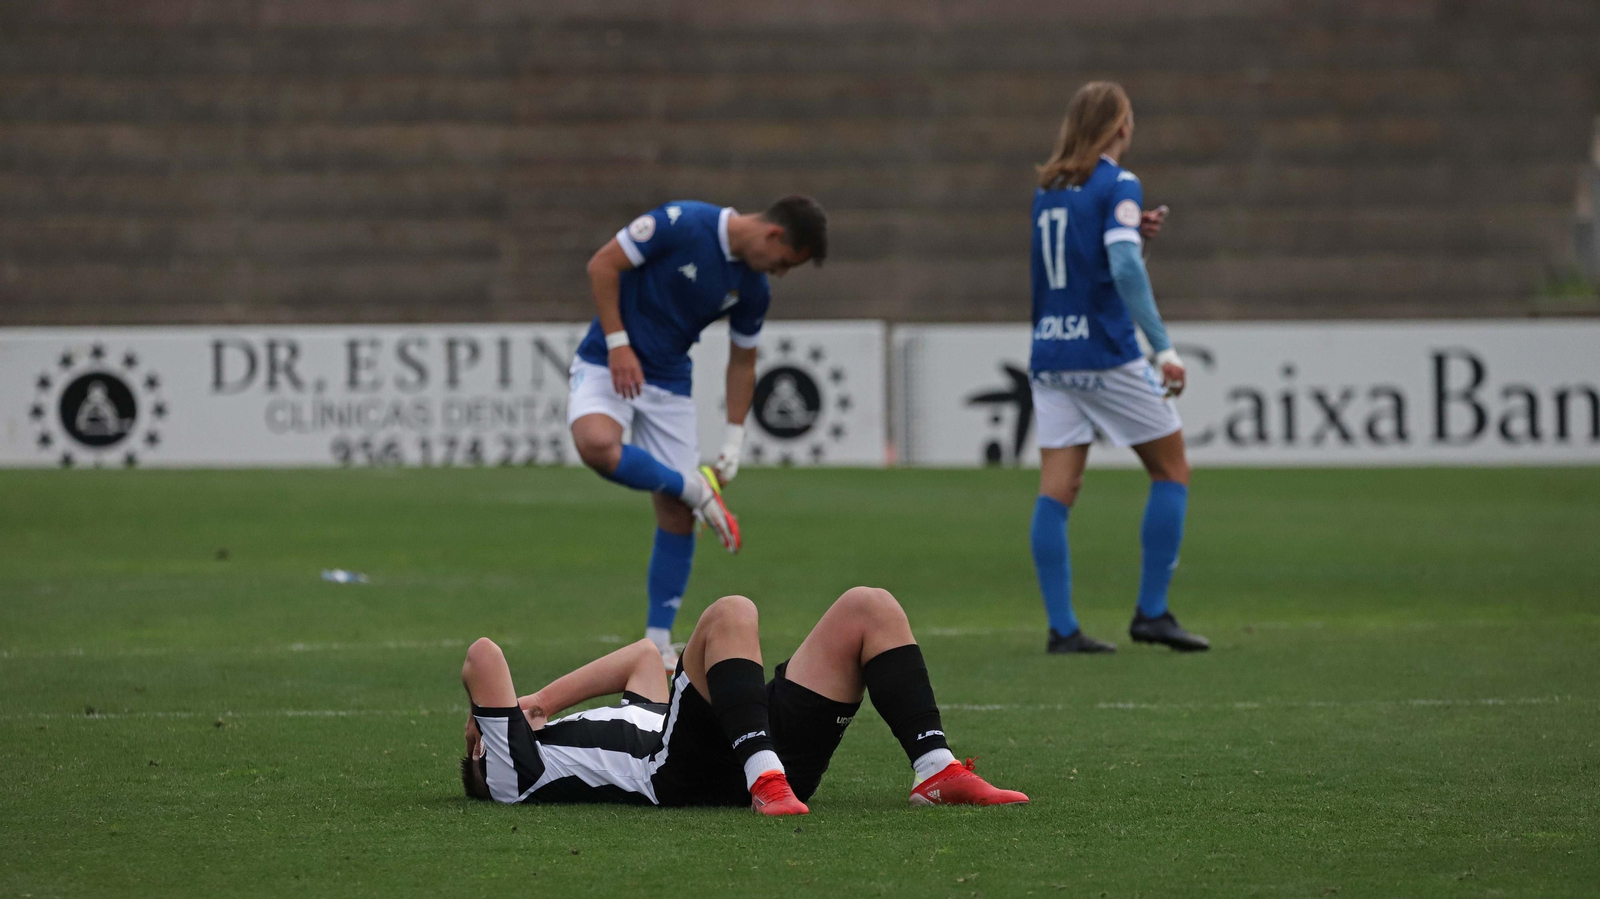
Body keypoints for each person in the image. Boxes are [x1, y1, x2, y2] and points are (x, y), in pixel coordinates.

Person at [458, 586, 1029, 814]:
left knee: (869, 607)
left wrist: (545, 700)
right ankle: (765, 779)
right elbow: (481, 657)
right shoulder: (513, 775)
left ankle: (935, 768)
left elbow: (639, 657)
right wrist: (481, 724)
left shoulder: (592, 727)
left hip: (744, 739)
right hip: (684, 770)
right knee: (733, 612)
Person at [569, 196, 828, 669]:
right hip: (607, 359)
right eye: (785, 263)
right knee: (597, 446)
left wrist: (733, 442)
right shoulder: (683, 223)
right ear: (773, 236)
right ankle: (695, 486)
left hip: (668, 382)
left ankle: (657, 643)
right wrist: (619, 344)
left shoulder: (753, 289)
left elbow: (743, 361)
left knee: (675, 511)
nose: (780, 273)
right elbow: (602, 265)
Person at [1027, 81, 1209, 654]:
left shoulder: (1049, 189)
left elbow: (1092, 254)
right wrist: (1163, 349)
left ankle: (1062, 629)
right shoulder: (1120, 184)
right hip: (1105, 352)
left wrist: (1134, 234)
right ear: (1120, 126)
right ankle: (1151, 613)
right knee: (1172, 469)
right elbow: (1124, 269)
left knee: (1058, 491)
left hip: (1051, 352)